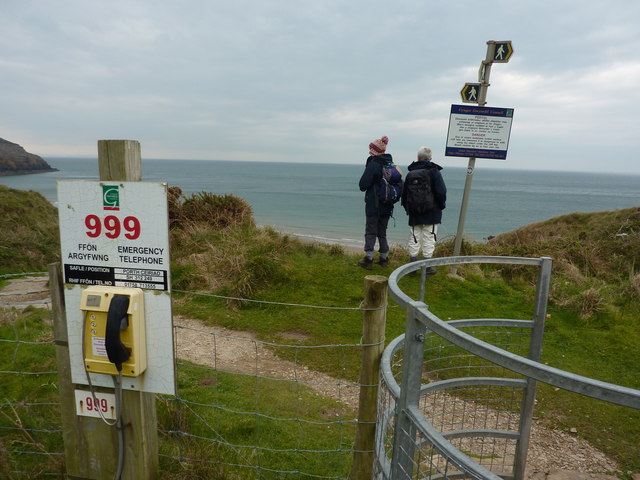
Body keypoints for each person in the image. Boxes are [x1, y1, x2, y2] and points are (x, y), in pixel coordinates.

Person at [401, 147, 447, 275]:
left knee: (414, 237)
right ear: (430, 158)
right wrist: (440, 206)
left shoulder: (410, 174)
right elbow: (441, 192)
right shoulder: (434, 172)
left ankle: (412, 266)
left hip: (414, 212)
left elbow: (404, 195)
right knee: (429, 238)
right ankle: (427, 267)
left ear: (418, 158)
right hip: (432, 212)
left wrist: (408, 209)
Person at [357, 135, 396, 270]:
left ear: (374, 150)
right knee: (382, 232)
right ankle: (384, 258)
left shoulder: (374, 164)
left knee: (370, 231)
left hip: (374, 204)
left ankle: (368, 259)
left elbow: (363, 185)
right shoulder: (391, 164)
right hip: (387, 205)